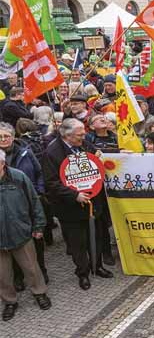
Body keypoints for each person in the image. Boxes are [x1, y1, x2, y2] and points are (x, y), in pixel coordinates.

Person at [42, 119, 114, 290]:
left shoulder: (84, 144)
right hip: (70, 208)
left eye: (83, 133)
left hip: (92, 202)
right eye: (80, 134)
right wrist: (75, 195)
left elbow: (96, 160)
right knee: (77, 243)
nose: (84, 136)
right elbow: (51, 182)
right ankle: (83, 273)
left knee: (95, 236)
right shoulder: (52, 153)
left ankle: (97, 266)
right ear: (67, 135)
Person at [0, 149, 51, 321]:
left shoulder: (18, 177)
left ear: (2, 163)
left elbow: (34, 201)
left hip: (20, 231)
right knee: (2, 274)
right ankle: (9, 301)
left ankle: (40, 293)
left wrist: (38, 226)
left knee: (31, 267)